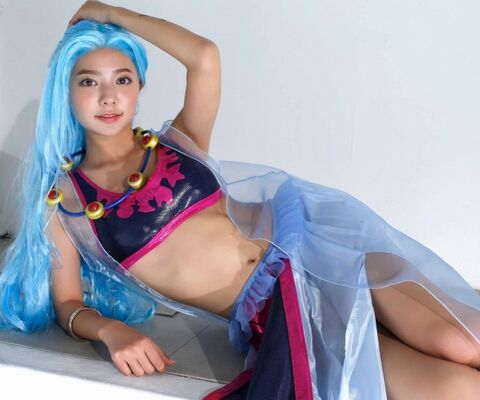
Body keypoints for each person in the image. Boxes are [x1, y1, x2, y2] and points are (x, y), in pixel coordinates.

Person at [0, 1, 479, 399]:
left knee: (459, 342)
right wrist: (110, 331)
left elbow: (205, 56)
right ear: (66, 92)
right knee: (459, 389)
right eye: (89, 81)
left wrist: (109, 13)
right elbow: (68, 302)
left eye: (122, 79)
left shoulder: (179, 143)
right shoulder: (67, 203)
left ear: (140, 86)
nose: (108, 96)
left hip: (321, 253)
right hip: (281, 314)